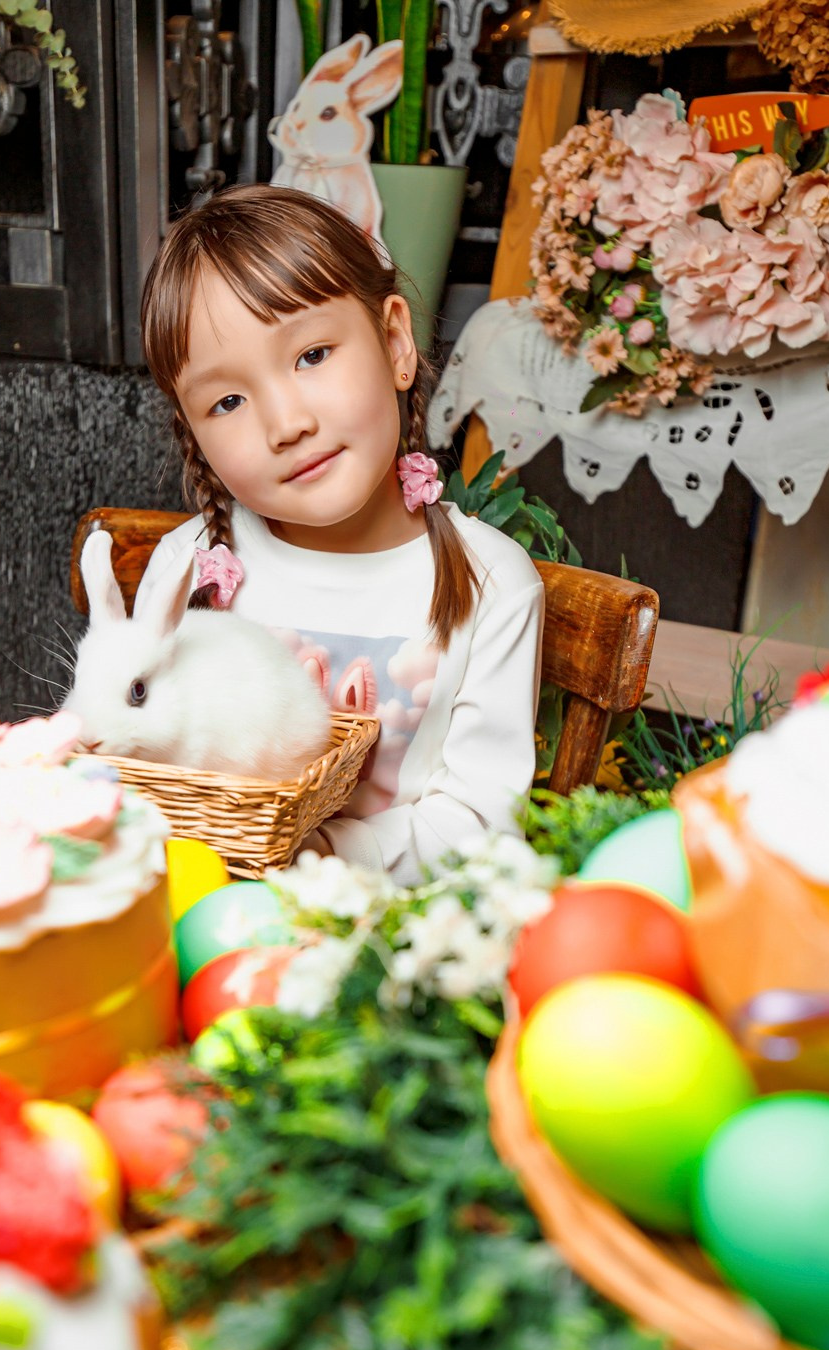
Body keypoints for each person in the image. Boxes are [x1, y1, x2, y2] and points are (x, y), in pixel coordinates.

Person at [136, 183, 544, 886]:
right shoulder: (188, 569)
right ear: (194, 434)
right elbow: (140, 768)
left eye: (312, 355)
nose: (285, 423)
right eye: (227, 400)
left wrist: (317, 856)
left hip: (391, 942)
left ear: (393, 342)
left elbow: (478, 822)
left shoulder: (491, 584)